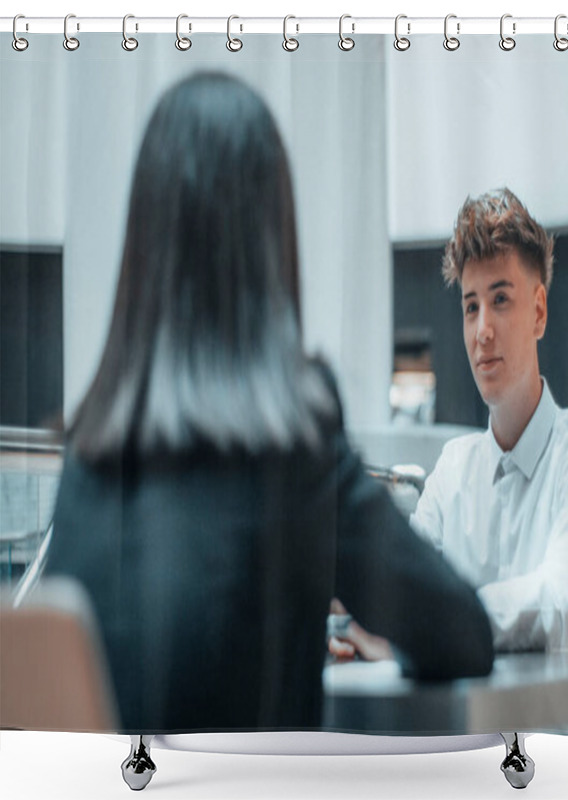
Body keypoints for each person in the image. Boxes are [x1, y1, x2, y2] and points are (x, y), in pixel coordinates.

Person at [44, 72, 493, 734]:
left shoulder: (91, 450)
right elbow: (461, 636)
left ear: (143, 246)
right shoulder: (294, 446)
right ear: (269, 241)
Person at [332, 188, 568, 658]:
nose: (482, 330)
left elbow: (559, 601)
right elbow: (399, 591)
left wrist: (437, 621)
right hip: (461, 733)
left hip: (552, 732)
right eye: (471, 306)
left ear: (539, 312)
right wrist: (355, 627)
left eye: (500, 299)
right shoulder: (452, 470)